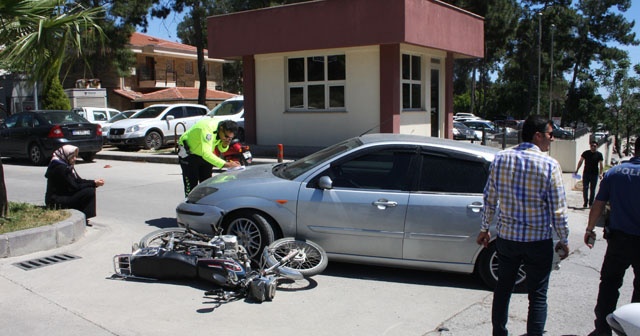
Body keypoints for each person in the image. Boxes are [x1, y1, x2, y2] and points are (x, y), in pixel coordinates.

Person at [476, 115, 570, 336]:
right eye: (550, 134)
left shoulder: (501, 159)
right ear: (538, 136)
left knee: (503, 289)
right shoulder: (549, 165)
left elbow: (489, 198)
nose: (552, 139)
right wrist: (564, 239)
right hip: (538, 241)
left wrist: (484, 228)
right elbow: (558, 209)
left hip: (508, 239)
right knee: (537, 294)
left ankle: (499, 332)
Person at [584, 137, 640, 336]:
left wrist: (589, 229)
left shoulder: (615, 173)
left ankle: (602, 328)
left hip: (618, 240)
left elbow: (598, 204)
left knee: (609, 284)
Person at [177, 118, 240, 196]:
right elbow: (206, 154)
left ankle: (204, 206)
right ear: (221, 128)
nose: (227, 139)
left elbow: (221, 149)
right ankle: (188, 206)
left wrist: (225, 144)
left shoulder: (222, 132)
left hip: (203, 153)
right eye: (226, 136)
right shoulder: (207, 129)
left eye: (230, 138)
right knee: (191, 186)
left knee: (207, 185)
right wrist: (228, 164)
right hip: (189, 154)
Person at [44, 145, 105, 226]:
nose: (75, 159)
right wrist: (93, 184)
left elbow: (78, 180)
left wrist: (93, 182)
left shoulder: (66, 165)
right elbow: (74, 187)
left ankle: (83, 216)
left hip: (64, 195)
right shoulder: (60, 168)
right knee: (88, 191)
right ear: (66, 155)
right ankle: (83, 217)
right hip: (56, 201)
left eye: (76, 156)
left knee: (90, 189)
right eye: (72, 156)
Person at [575, 141, 604, 208]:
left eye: (595, 146)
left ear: (597, 147)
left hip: (594, 174)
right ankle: (585, 202)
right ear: (590, 146)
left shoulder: (599, 154)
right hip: (586, 173)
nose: (593, 147)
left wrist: (601, 174)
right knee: (585, 188)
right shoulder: (586, 153)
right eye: (592, 146)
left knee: (592, 189)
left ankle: (591, 203)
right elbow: (581, 161)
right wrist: (577, 169)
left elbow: (601, 165)